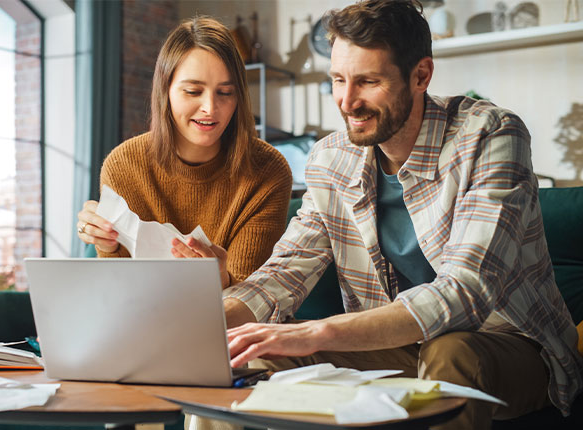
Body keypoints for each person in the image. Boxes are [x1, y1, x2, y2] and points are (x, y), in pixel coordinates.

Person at [221, 1, 583, 429]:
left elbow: (465, 291)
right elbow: (284, 273)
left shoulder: (489, 133)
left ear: (421, 75)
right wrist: (203, 323)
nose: (347, 101)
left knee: (450, 352)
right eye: (338, 79)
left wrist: (318, 330)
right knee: (252, 354)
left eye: (367, 81)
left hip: (507, 343)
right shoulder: (329, 159)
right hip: (394, 347)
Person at [76, 17, 292, 288]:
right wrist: (104, 241)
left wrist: (220, 279)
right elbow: (119, 287)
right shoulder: (124, 165)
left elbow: (253, 298)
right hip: (143, 320)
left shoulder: (268, 170)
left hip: (232, 324)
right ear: (165, 91)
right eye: (193, 91)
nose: (210, 108)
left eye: (225, 93)